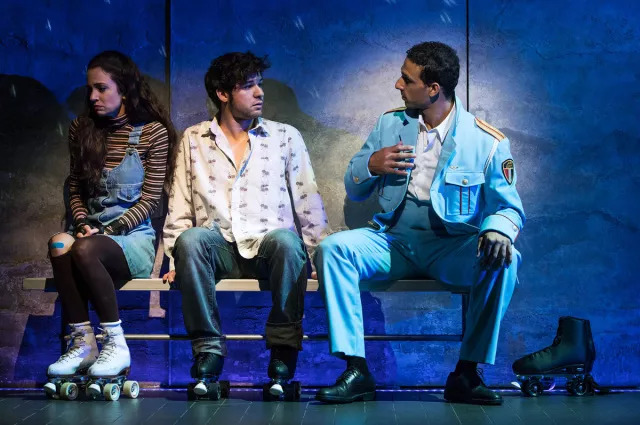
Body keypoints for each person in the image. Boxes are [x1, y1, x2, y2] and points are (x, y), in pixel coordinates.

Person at [314, 41, 525, 405]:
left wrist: (497, 229)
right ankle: (356, 369)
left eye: (407, 79)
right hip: (392, 241)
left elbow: (509, 207)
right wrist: (372, 165)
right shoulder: (389, 124)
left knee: (505, 259)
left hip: (450, 246)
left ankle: (466, 373)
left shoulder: (486, 141)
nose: (398, 85)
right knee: (333, 249)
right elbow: (354, 187)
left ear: (433, 89)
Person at [162, 51, 329, 397]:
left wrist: (318, 254)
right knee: (190, 240)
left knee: (287, 242)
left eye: (259, 84)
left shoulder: (285, 136)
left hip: (268, 248)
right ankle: (208, 352)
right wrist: (175, 257)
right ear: (223, 94)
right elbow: (179, 200)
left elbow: (307, 200)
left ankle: (283, 352)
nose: (259, 93)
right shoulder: (194, 138)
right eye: (248, 86)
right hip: (217, 246)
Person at [45, 51, 177, 394]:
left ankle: (116, 344)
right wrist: (80, 222)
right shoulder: (81, 129)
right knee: (59, 243)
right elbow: (74, 187)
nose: (93, 96)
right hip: (89, 232)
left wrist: (106, 231)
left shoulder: (153, 133)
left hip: (132, 239)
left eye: (101, 88)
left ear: (125, 89)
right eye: (90, 89)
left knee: (84, 248)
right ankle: (83, 342)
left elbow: (150, 200)